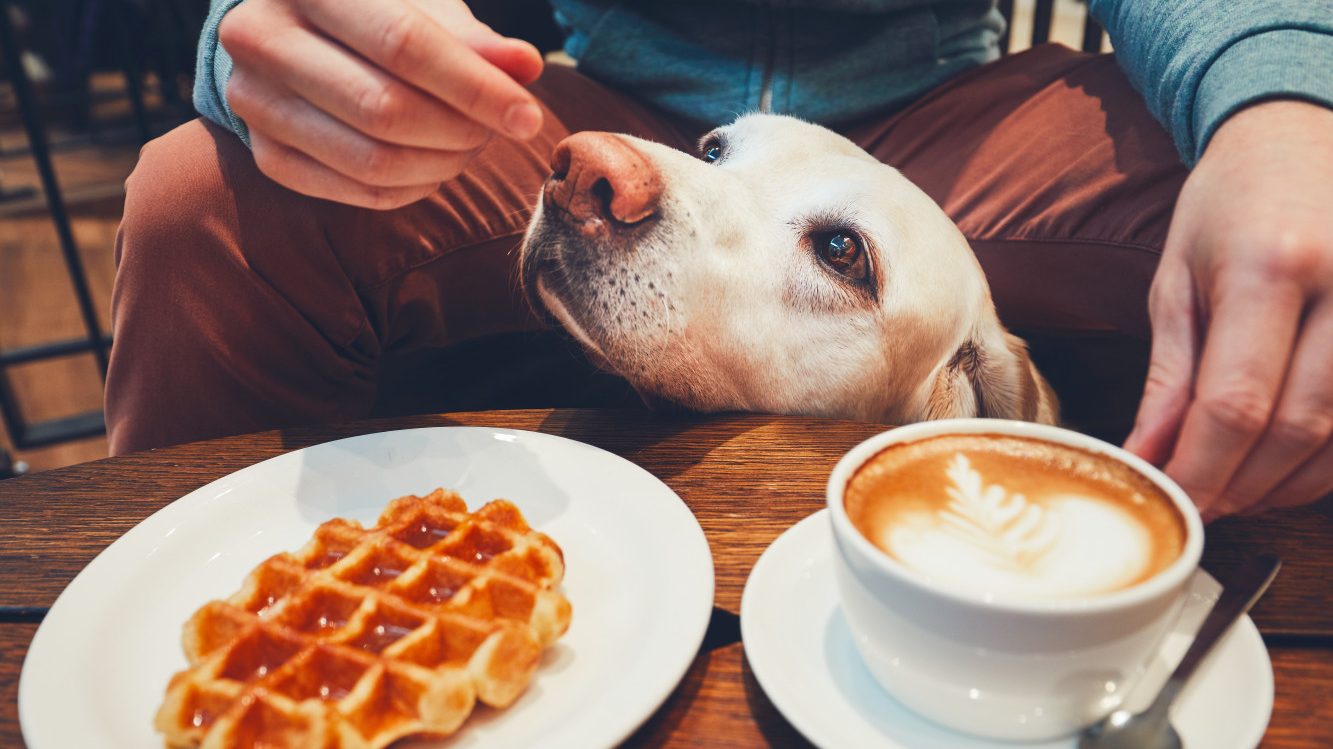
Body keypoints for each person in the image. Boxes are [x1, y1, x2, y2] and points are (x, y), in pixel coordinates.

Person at [106, 0, 1333, 521]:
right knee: (203, 194)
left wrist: (1284, 101)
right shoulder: (626, 165)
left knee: (1285, 243)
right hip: (609, 91)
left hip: (950, 106)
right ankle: (189, 622)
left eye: (839, 254)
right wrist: (277, 34)